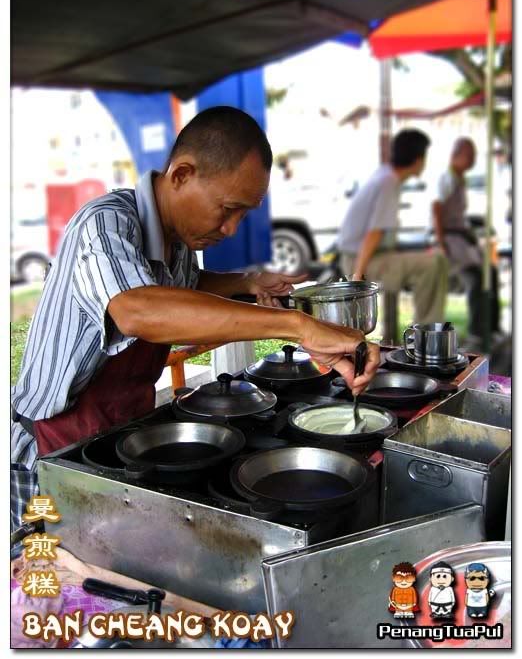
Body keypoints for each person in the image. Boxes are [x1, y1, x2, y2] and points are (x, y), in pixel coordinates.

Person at [11, 106, 380, 538]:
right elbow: (138, 309)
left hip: (121, 436)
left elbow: (186, 285)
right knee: (49, 575)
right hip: (49, 445)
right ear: (182, 174)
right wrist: (298, 327)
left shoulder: (179, 242)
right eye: (227, 209)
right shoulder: (106, 223)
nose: (230, 228)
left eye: (243, 214)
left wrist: (246, 282)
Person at [338, 129, 448, 324]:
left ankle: (424, 330)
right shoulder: (389, 181)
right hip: (361, 261)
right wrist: (357, 277)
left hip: (368, 256)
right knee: (433, 264)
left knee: (437, 260)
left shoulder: (384, 174)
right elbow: (374, 232)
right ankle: (427, 334)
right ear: (417, 159)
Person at [432, 137, 502, 347]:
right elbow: (436, 208)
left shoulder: (459, 179)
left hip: (462, 240)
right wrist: (441, 242)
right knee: (477, 278)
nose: (472, 161)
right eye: (469, 156)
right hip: (451, 242)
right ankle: (477, 331)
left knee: (491, 274)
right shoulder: (448, 178)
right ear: (457, 155)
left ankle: (492, 327)